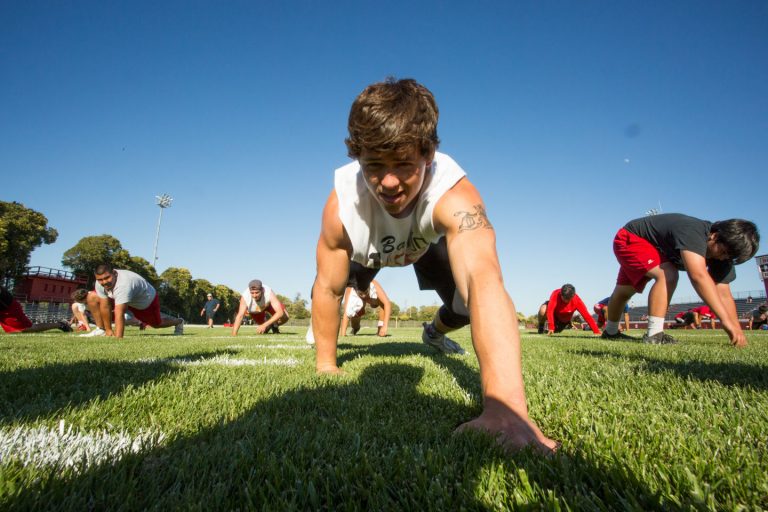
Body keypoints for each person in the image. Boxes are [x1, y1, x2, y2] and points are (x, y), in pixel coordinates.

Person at [310, 78, 557, 453]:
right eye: (374, 166)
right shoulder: (341, 208)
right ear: (357, 158)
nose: (389, 182)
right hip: (368, 250)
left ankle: (434, 333)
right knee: (341, 283)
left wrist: (506, 410)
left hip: (424, 243)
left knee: (464, 306)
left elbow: (482, 278)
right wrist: (327, 365)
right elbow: (327, 287)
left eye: (404, 165)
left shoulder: (453, 194)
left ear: (428, 155)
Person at [601, 213, 759, 346]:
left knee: (624, 292)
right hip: (631, 238)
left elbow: (724, 293)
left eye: (729, 257)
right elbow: (698, 276)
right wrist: (725, 321)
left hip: (653, 249)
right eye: (723, 252)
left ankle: (611, 332)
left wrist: (736, 327)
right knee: (667, 274)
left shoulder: (722, 256)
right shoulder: (693, 231)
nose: (723, 258)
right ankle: (654, 335)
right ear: (715, 235)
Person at [85, 264, 184, 338]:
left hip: (144, 301)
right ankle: (100, 329)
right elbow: (105, 305)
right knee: (92, 297)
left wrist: (118, 339)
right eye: (100, 279)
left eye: (107, 278)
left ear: (114, 273)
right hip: (122, 297)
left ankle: (178, 321)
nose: (104, 282)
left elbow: (120, 312)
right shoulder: (100, 283)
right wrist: (108, 330)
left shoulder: (124, 284)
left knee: (156, 324)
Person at [340, 268, 392, 337]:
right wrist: (343, 334)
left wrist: (384, 326)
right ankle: (355, 328)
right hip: (359, 302)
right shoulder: (350, 290)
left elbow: (387, 304)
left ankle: (380, 328)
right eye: (362, 294)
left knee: (382, 303)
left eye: (365, 293)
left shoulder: (374, 285)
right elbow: (346, 314)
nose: (364, 296)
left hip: (373, 299)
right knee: (355, 318)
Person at [0, 286, 72, 334]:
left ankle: (60, 325)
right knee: (12, 332)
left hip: (9, 308)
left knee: (28, 329)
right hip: (3, 308)